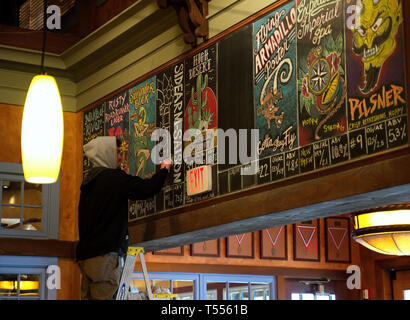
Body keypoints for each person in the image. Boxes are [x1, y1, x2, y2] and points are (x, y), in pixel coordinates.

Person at [76, 135, 171, 300]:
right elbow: (147, 189)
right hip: (104, 257)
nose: (121, 157)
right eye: (117, 152)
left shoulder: (88, 183)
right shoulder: (113, 178)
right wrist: (164, 169)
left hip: (86, 259)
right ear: (106, 153)